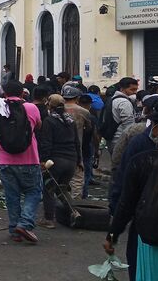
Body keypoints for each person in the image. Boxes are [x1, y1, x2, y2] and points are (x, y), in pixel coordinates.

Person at [105, 94, 158, 281]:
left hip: (151, 243)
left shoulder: (142, 161)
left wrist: (112, 235)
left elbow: (126, 205)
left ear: (157, 127)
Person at [0, 80, 42, 243]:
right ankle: (24, 224)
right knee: (34, 192)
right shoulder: (31, 108)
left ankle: (15, 230)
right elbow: (39, 126)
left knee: (12, 195)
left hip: (5, 160)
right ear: (23, 93)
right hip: (30, 159)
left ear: (3, 93)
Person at [37, 94, 81, 229]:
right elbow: (77, 142)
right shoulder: (70, 121)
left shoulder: (49, 121)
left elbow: (46, 143)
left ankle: (49, 219)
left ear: (50, 106)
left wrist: (43, 160)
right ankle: (74, 212)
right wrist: (79, 160)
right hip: (71, 160)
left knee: (49, 189)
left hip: (55, 160)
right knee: (62, 188)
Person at [62, 85, 91, 199]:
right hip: (76, 147)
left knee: (61, 178)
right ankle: (75, 204)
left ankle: (62, 202)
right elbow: (89, 129)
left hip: (58, 148)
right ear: (77, 98)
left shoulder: (57, 110)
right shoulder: (84, 112)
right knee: (77, 178)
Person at [78, 94, 100, 198]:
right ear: (90, 104)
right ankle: (84, 195)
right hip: (87, 147)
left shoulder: (72, 114)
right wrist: (97, 150)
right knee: (86, 173)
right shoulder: (90, 116)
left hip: (73, 147)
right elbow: (95, 136)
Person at [108, 77, 139, 152]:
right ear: (122, 89)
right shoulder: (124, 102)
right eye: (132, 89)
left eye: (136, 89)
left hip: (113, 139)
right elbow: (129, 124)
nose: (135, 92)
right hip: (122, 141)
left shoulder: (113, 99)